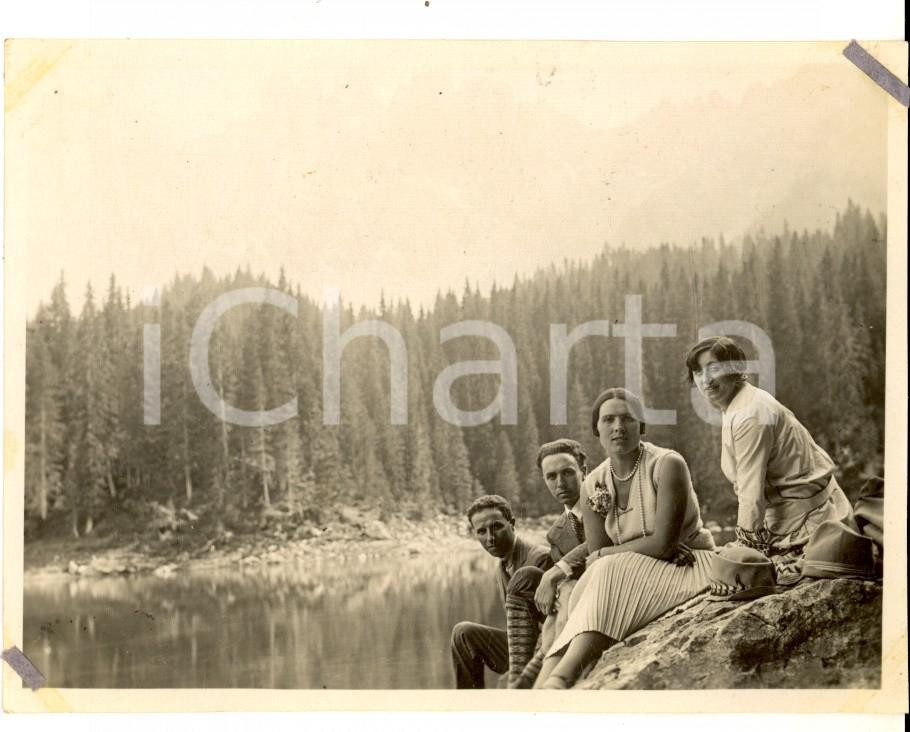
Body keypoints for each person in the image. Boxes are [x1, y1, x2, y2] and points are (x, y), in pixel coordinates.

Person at [537, 388, 716, 689]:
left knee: (605, 569)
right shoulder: (594, 482)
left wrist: (609, 555)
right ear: (596, 429)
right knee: (586, 585)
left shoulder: (667, 464)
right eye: (608, 420)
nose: (618, 427)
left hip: (689, 565)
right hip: (630, 572)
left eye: (627, 419)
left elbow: (662, 545)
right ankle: (540, 691)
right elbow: (596, 553)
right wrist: (607, 556)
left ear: (642, 426)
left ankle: (562, 676)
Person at [685, 335, 855, 587]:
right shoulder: (740, 403)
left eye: (714, 368)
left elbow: (751, 492)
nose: (705, 380)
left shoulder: (751, 413)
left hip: (809, 524)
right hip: (793, 515)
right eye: (698, 372)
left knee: (727, 575)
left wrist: (746, 547)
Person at [505, 439, 590, 688]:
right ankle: (519, 674)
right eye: (551, 477)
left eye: (567, 473)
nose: (560, 483)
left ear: (583, 470)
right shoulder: (556, 533)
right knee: (528, 578)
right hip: (573, 604)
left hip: (604, 590)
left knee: (563, 587)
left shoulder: (603, 502)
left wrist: (556, 572)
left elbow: (602, 540)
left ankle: (535, 669)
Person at [450, 494, 552, 688]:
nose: (490, 538)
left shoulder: (540, 559)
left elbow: (553, 625)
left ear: (512, 524)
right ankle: (468, 704)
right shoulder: (502, 565)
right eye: (481, 531)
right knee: (462, 633)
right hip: (522, 646)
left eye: (497, 527)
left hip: (545, 649)